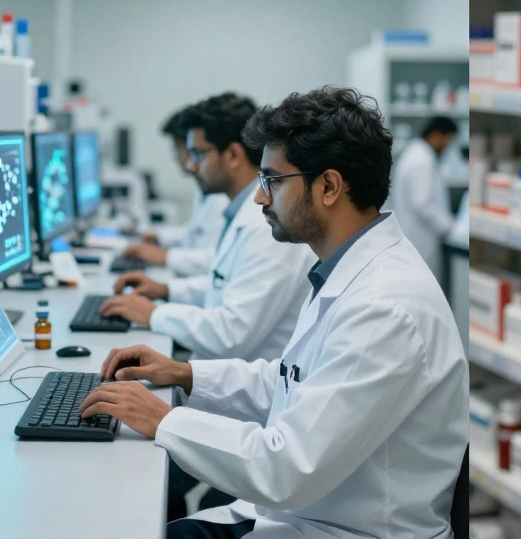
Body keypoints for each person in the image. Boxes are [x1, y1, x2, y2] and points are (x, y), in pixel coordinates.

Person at [80, 87, 469, 539]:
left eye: (272, 181)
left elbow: (288, 469)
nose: (260, 199)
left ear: (328, 186)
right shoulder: (349, 269)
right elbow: (293, 380)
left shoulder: (384, 307)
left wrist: (164, 419)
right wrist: (186, 374)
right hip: (308, 514)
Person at [100, 92, 313, 362]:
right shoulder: (239, 210)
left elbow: (231, 333)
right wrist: (167, 290)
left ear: (234, 154)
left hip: (239, 390)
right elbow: (223, 284)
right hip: (220, 374)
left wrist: (154, 313)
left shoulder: (268, 225)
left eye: (198, 154)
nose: (190, 165)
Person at [122, 106, 229, 277]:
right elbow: (197, 231)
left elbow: (219, 260)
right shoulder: (208, 188)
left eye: (178, 149)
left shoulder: (222, 196)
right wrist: (157, 236)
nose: (180, 159)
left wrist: (165, 257)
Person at [389, 116, 459, 282]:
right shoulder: (420, 160)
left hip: (416, 236)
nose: (447, 147)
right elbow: (423, 203)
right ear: (436, 135)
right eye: (447, 140)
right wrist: (448, 226)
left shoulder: (418, 154)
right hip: (418, 239)